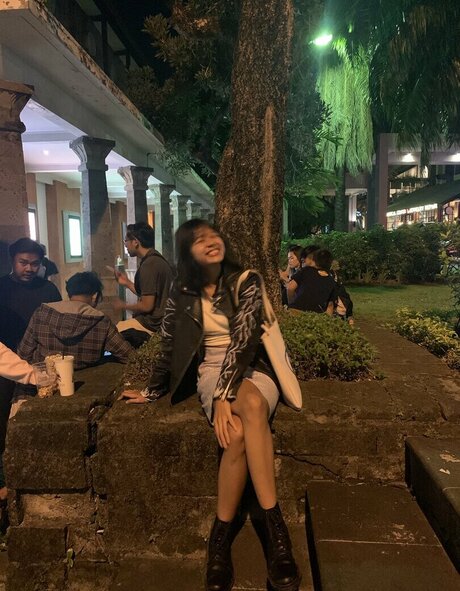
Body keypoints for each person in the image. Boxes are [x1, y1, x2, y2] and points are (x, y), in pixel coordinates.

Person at [120, 219, 301, 591]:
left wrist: (224, 396)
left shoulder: (246, 280)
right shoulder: (182, 292)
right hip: (211, 371)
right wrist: (152, 391)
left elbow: (246, 339)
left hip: (254, 368)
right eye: (198, 239)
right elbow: (168, 343)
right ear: (188, 252)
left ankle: (256, 532)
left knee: (251, 407)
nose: (209, 242)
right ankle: (251, 539)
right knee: (237, 436)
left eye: (212, 235)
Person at [0, 238, 61, 506]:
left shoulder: (48, 289)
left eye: (34, 264)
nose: (28, 268)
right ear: (12, 260)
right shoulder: (1, 288)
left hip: (39, 363)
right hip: (5, 365)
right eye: (23, 262)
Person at [17, 272, 133, 370]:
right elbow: (129, 356)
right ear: (95, 296)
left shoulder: (41, 313)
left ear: (69, 293)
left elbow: (23, 354)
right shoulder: (101, 322)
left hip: (47, 382)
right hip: (86, 384)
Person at [113, 222, 173, 341]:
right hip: (161, 320)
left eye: (126, 241)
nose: (125, 245)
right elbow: (148, 293)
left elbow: (147, 306)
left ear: (135, 242)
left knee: (113, 333)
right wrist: (127, 283)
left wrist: (123, 305)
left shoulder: (149, 265)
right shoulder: (155, 259)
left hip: (153, 324)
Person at [287, 248, 337, 314]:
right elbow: (330, 305)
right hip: (314, 315)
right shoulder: (332, 281)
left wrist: (291, 303)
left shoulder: (306, 270)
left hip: (296, 311)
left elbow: (290, 288)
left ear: (315, 260)